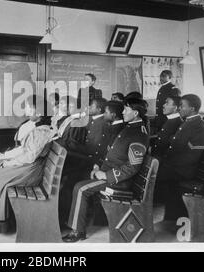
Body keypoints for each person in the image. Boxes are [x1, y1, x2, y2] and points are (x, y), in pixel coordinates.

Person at [62, 98, 149, 242]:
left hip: (120, 181)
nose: (122, 112)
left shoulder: (138, 133)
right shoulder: (130, 127)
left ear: (135, 113)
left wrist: (105, 175)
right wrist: (98, 167)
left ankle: (78, 231)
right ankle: (76, 222)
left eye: (126, 110)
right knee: (78, 182)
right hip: (110, 173)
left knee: (81, 188)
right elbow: (112, 153)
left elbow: (133, 167)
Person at [0, 95, 54, 233]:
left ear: (38, 113)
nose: (26, 109)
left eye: (29, 107)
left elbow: (29, 157)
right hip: (30, 165)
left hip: (31, 169)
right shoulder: (38, 129)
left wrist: (9, 163)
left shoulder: (41, 132)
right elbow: (26, 152)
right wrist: (8, 160)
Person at [155, 94, 204, 220]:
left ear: (192, 108)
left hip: (184, 170)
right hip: (176, 167)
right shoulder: (188, 122)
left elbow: (191, 157)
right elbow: (175, 145)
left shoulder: (199, 127)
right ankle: (171, 217)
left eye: (182, 106)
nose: (179, 108)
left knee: (151, 175)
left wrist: (166, 164)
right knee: (150, 172)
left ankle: (169, 217)